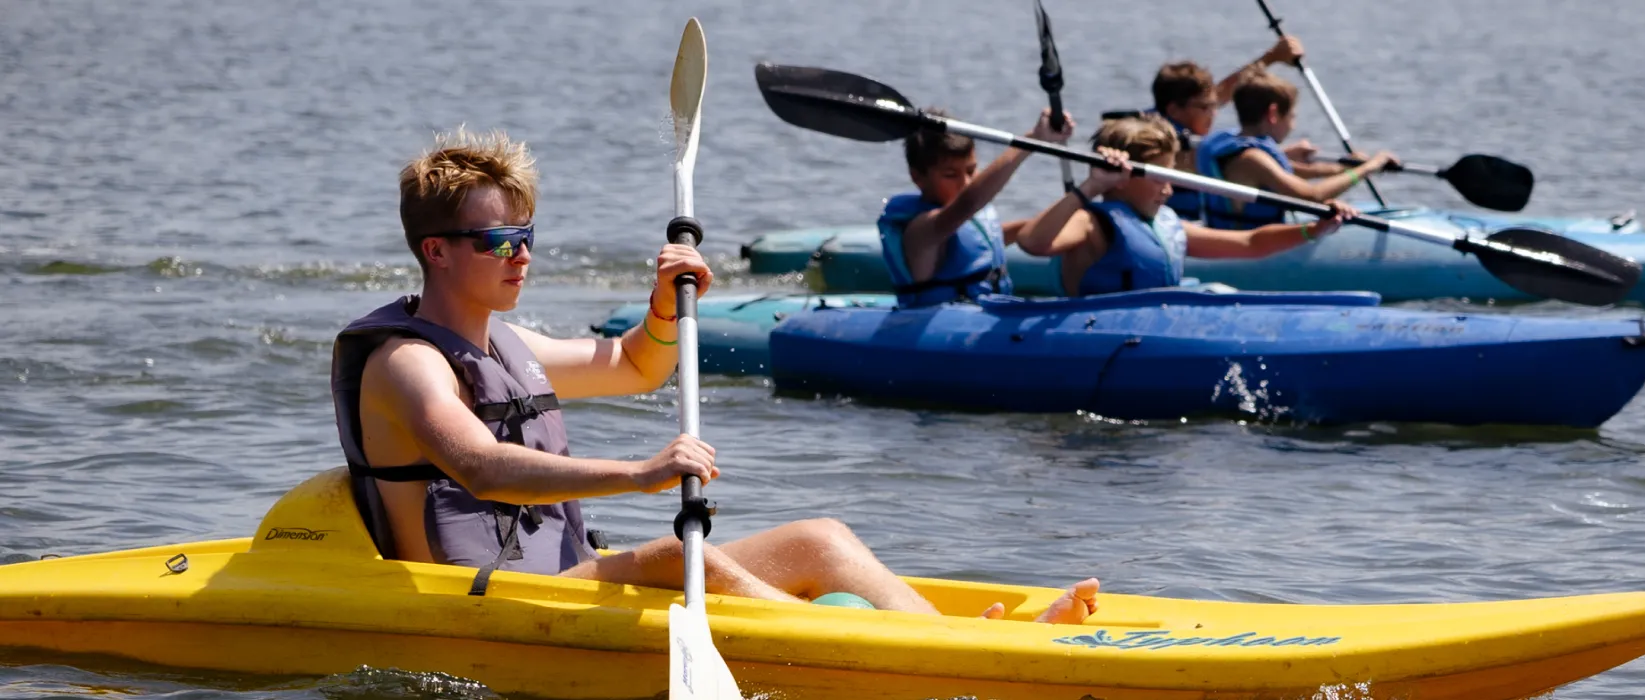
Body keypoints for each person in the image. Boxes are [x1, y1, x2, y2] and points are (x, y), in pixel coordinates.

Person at [329, 127, 1097, 623]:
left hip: (554, 580)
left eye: (526, 235)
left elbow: (636, 365)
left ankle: (946, 639)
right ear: (437, 250)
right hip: (468, 603)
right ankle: (885, 650)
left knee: (821, 539)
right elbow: (479, 466)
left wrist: (663, 307)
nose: (522, 255)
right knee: (669, 553)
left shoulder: (508, 343)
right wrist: (638, 473)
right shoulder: (407, 365)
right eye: (499, 240)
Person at [1017, 116, 1355, 296]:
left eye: (1172, 175)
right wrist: (1091, 186)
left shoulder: (1165, 222)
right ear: (1119, 178)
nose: (1169, 188)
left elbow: (1250, 243)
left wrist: (1314, 229)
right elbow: (1033, 242)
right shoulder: (1091, 224)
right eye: (1157, 177)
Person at [877, 108, 1073, 308]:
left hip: (992, 312)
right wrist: (1033, 138)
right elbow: (968, 204)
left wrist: (1061, 218)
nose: (966, 183)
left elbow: (985, 239)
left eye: (971, 170)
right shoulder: (922, 231)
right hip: (946, 330)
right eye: (950, 175)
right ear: (917, 177)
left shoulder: (956, 221)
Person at [1121, 37, 1307, 220]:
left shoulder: (1167, 117)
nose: (1214, 113)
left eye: (1214, 106)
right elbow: (1240, 165)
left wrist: (1270, 58)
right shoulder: (1159, 144)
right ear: (1174, 110)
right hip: (1171, 226)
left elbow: (1224, 91)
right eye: (1206, 108)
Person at [1194, 71, 1397, 229]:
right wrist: (1369, 167)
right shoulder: (1252, 158)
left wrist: (1338, 169)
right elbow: (1312, 196)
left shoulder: (1230, 143)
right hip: (1249, 248)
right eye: (1292, 117)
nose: (1292, 125)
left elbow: (1278, 175)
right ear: (1273, 113)